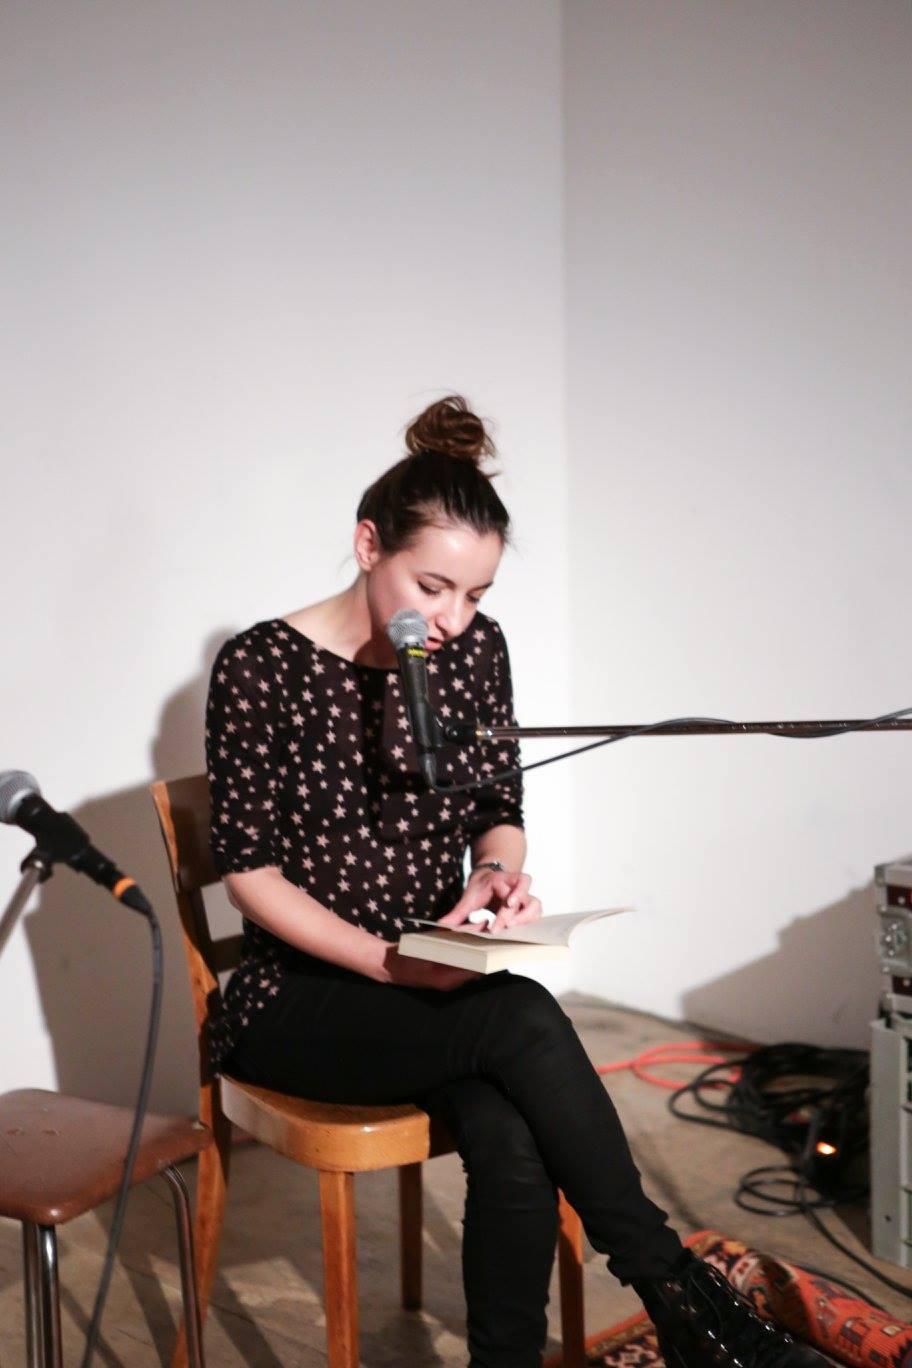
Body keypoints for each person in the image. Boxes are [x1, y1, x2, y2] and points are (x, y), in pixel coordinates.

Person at [205, 396, 827, 1368]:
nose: (454, 620)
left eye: (477, 596)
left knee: (509, 1126)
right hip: (302, 996)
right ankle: (680, 1298)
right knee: (523, 1020)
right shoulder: (261, 666)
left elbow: (499, 804)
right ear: (368, 543)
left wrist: (495, 879)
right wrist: (386, 963)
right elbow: (246, 872)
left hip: (430, 975)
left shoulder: (472, 656)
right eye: (434, 586)